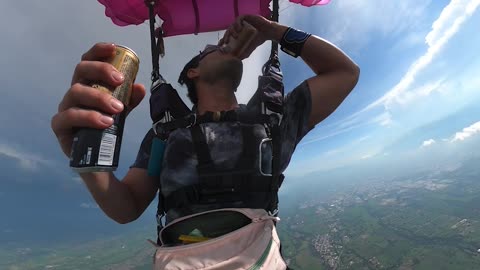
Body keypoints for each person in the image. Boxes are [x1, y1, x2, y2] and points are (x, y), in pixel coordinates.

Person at [51, 14, 359, 269]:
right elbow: (126, 206)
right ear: (194, 71)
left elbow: (345, 72)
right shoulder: (166, 133)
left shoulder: (274, 120)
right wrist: (88, 160)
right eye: (212, 48)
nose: (222, 44)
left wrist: (272, 31)